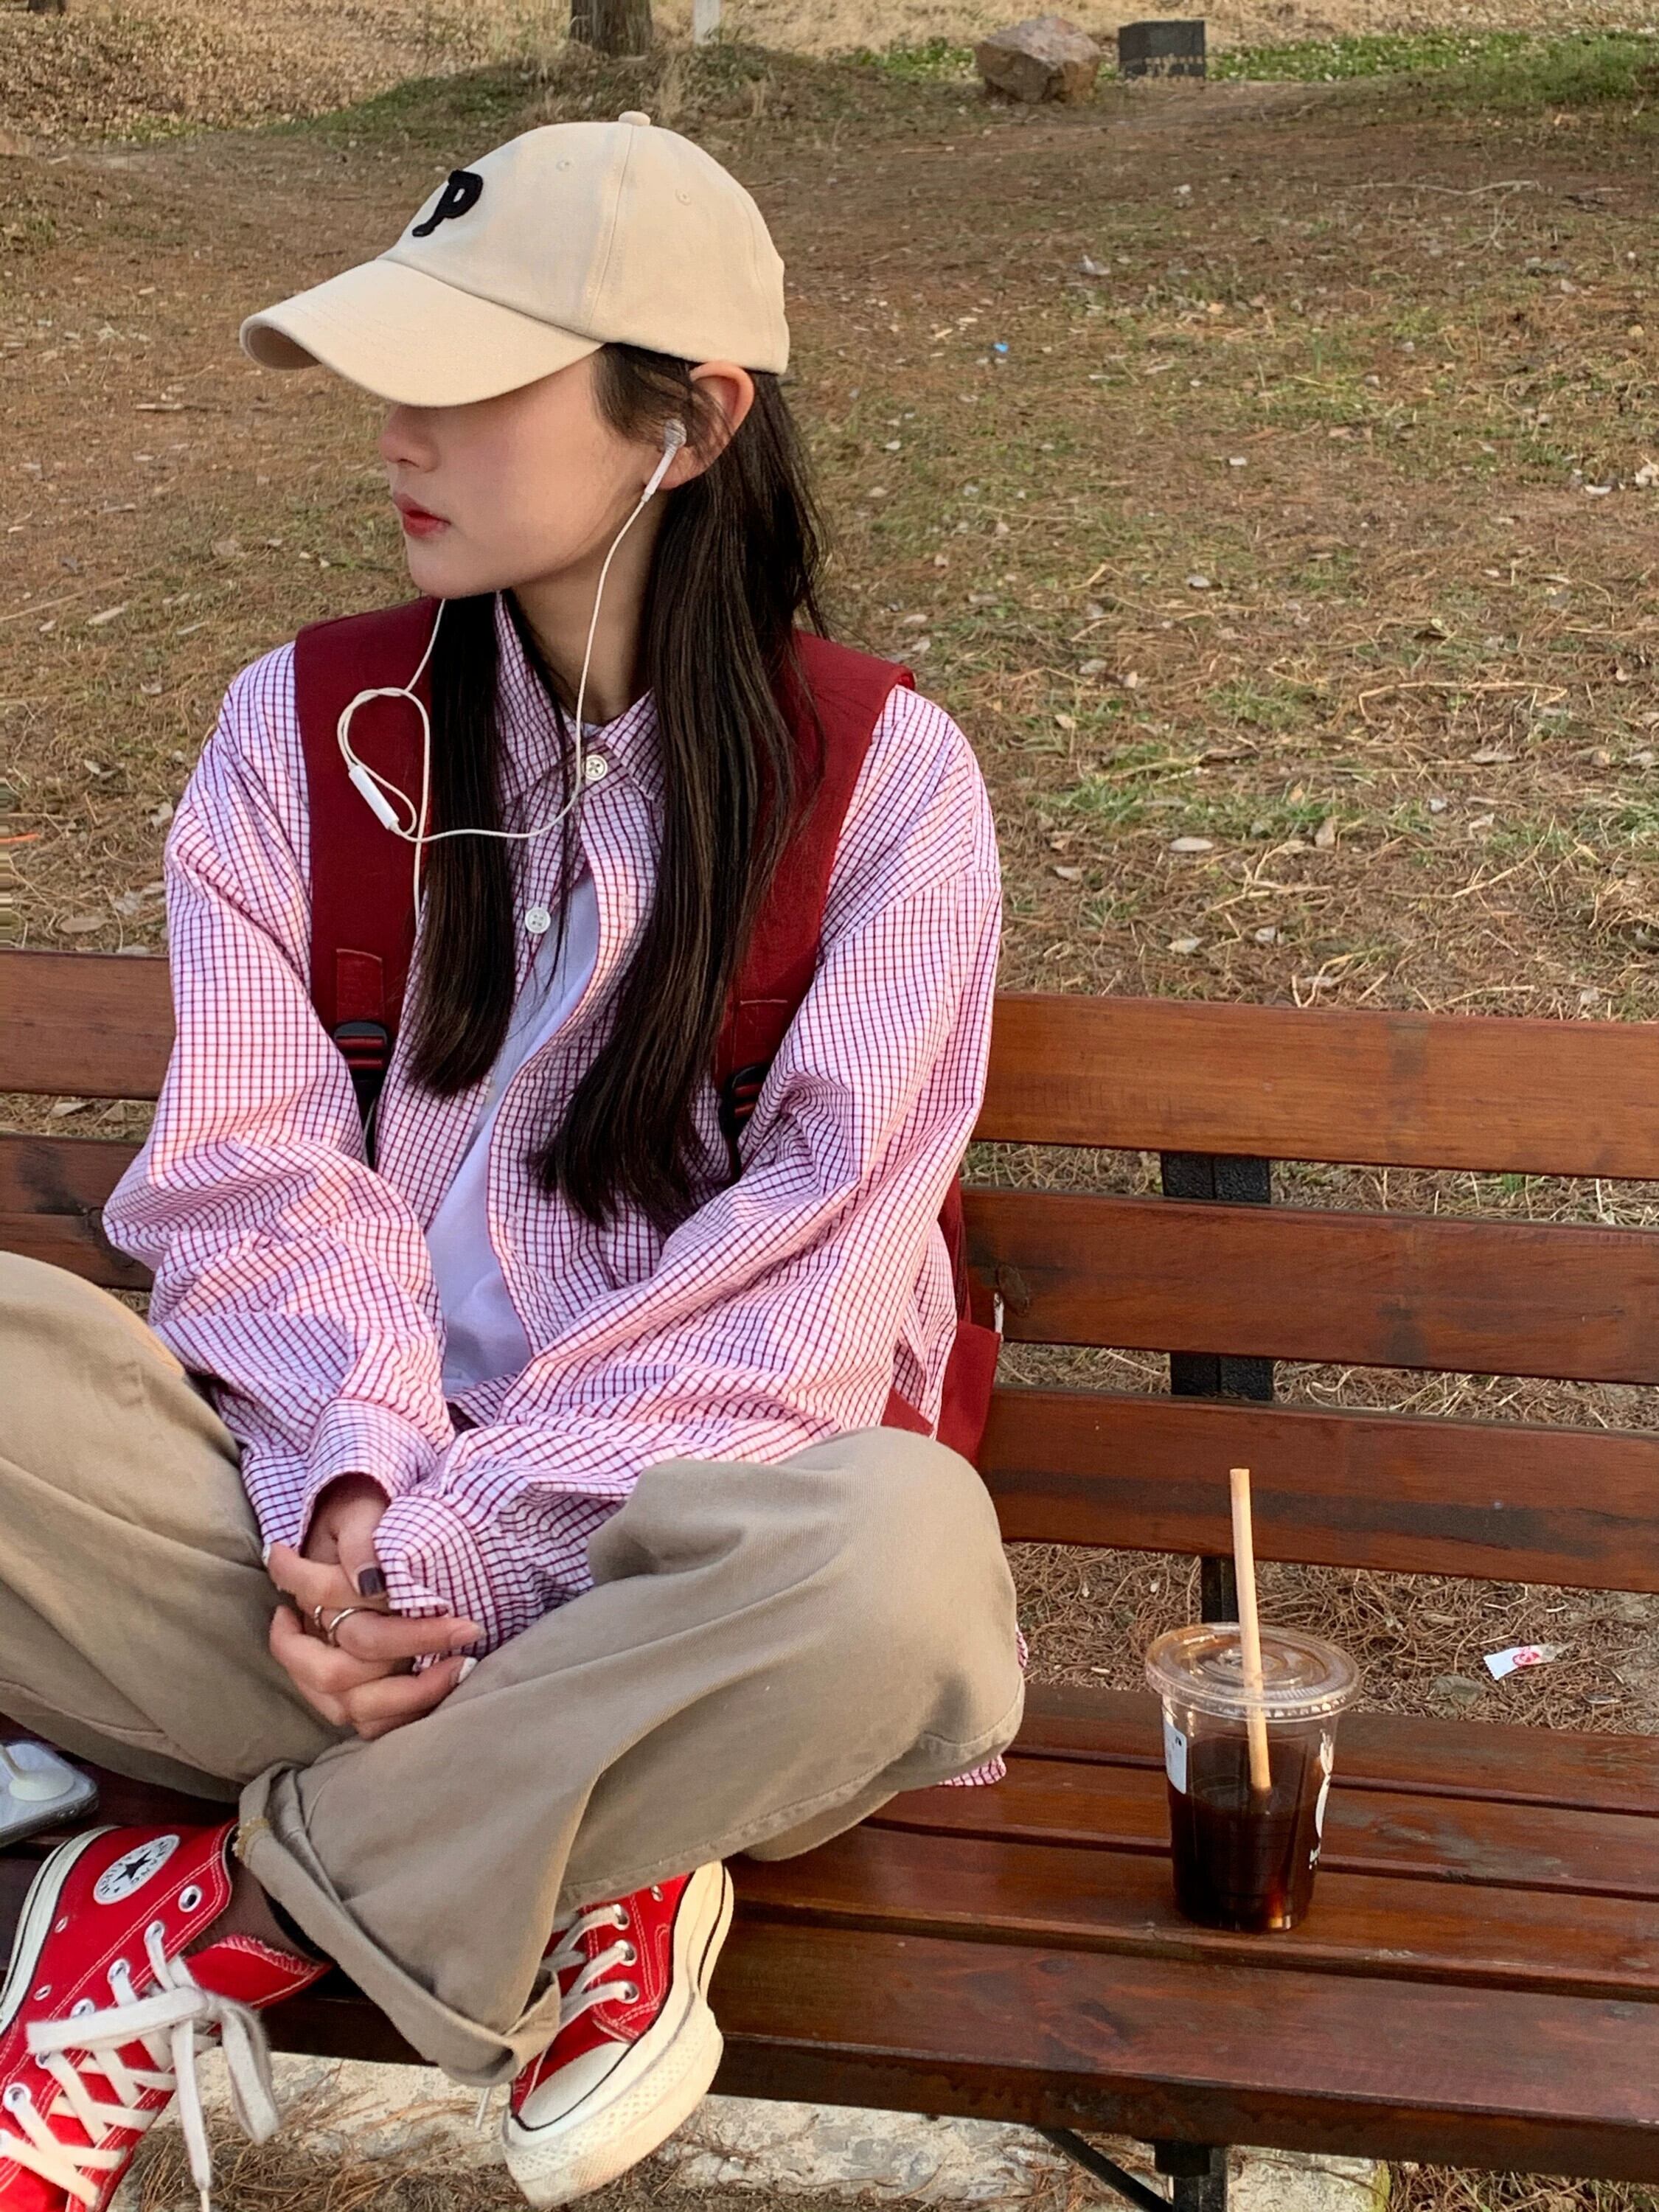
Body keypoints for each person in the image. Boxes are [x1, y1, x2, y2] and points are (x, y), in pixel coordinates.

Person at [0, 110, 1023, 2212]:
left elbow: (814, 1276)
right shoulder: (297, 734)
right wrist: (363, 1494)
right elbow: (254, 1181)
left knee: (907, 1583)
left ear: (692, 419)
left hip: (680, 1568)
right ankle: (596, 1838)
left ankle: (200, 1903)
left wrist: (474, 1550)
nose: (399, 428)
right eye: (392, 371)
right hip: (300, 1552)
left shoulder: (883, 786)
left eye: (473, 381)